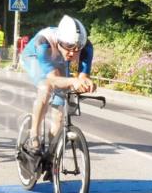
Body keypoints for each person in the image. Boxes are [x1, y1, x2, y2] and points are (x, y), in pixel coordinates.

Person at [19, 15, 96, 163]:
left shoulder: (86, 47)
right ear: (60, 42)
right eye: (69, 48)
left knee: (60, 114)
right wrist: (73, 81)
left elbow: (82, 77)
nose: (72, 53)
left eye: (77, 50)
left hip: (59, 58)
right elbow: (53, 80)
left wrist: (86, 83)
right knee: (46, 87)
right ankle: (34, 134)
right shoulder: (43, 42)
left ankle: (51, 155)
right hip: (34, 56)